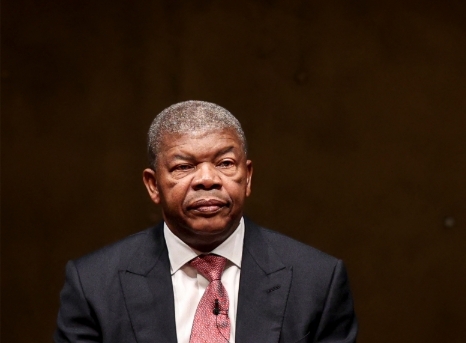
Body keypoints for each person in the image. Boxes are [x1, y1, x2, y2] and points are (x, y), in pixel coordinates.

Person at [54, 101, 358, 343]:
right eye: (184, 166)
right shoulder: (93, 285)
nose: (208, 179)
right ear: (153, 185)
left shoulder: (318, 280)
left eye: (225, 163)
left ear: (247, 177)